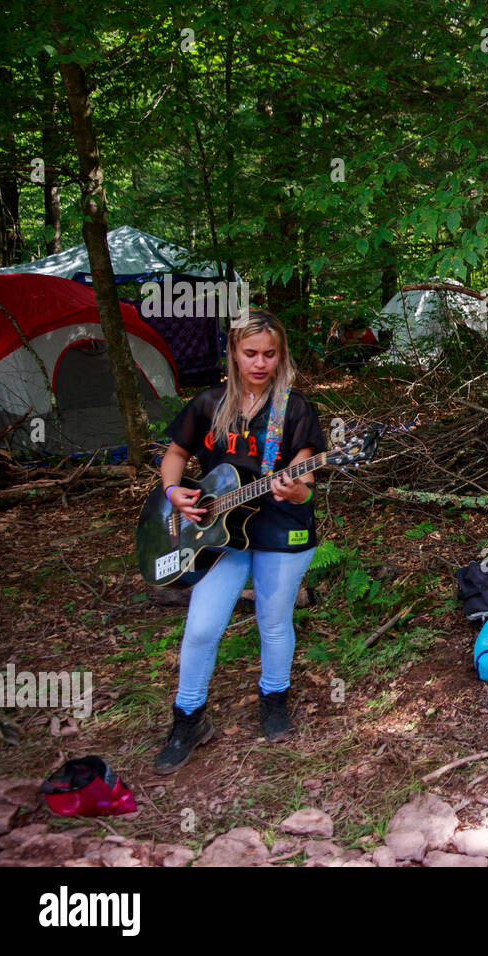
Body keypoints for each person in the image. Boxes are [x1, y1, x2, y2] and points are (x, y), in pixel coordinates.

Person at [153, 310, 326, 774]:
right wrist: (174, 494)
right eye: (250, 353)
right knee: (202, 628)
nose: (260, 363)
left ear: (280, 355)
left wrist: (297, 488)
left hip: (280, 527)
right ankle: (188, 718)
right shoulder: (209, 403)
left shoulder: (295, 409)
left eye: (270, 354)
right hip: (217, 536)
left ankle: (274, 700)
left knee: (273, 621)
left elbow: (305, 481)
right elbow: (175, 454)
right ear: (233, 353)